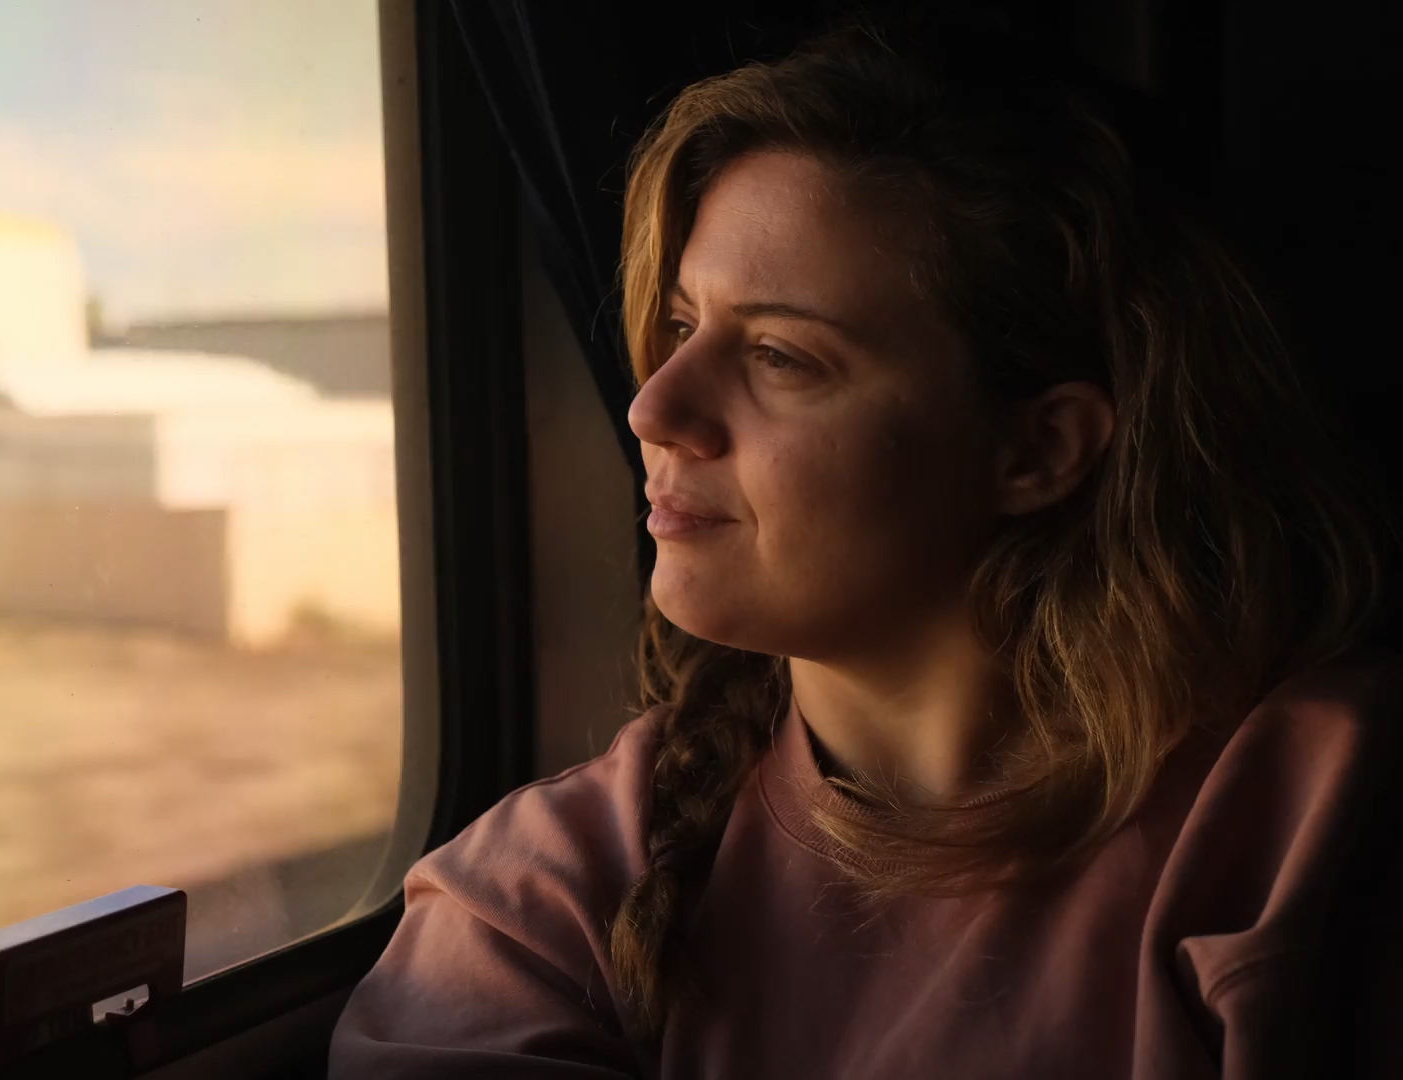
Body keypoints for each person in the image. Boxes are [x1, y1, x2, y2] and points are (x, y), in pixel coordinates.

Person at [328, 14, 1402, 1080]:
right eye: (681, 323)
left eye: (783, 357)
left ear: (1036, 448)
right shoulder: (541, 897)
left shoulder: (1307, 822)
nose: (654, 407)